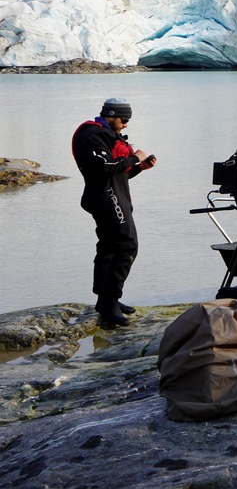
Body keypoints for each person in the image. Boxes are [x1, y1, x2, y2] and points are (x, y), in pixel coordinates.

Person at [71, 97, 157, 328]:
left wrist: (139, 167)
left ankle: (107, 301)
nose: (126, 124)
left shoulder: (106, 134)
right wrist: (134, 157)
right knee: (126, 246)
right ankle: (109, 303)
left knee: (110, 247)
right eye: (124, 119)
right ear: (110, 115)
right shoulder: (91, 135)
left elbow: (118, 173)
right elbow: (103, 168)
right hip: (105, 198)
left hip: (112, 195)